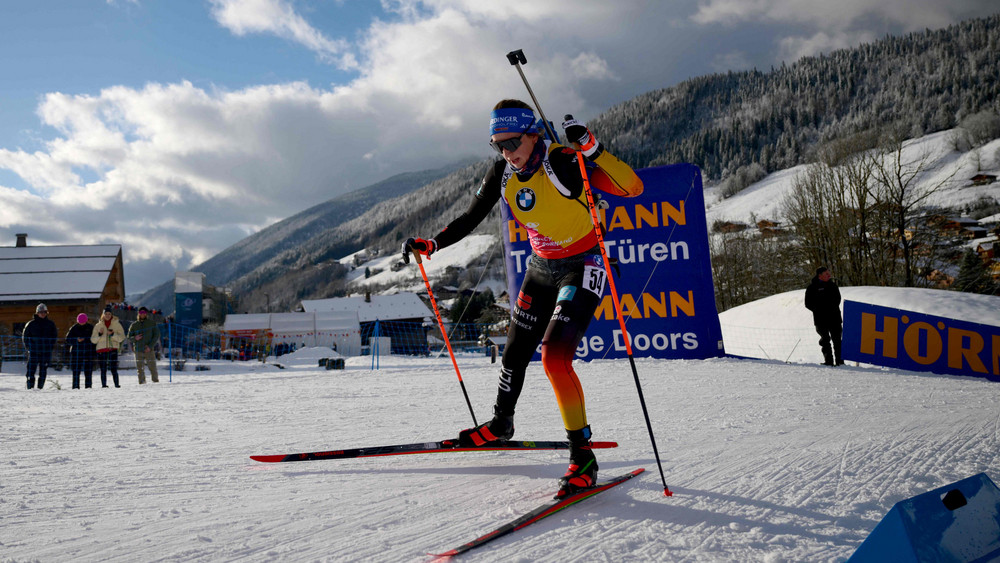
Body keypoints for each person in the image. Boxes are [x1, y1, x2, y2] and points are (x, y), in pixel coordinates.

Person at [403, 100, 643, 497]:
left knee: (554, 357)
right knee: (514, 352)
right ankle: (501, 425)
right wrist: (433, 243)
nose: (506, 151)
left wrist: (592, 148)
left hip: (583, 263)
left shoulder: (563, 161)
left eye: (513, 142)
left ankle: (582, 457)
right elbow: (469, 216)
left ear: (533, 134)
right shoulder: (503, 171)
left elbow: (632, 187)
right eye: (498, 144)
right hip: (540, 268)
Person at [805, 266, 843, 366]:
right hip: (820, 320)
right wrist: (819, 310)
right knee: (825, 341)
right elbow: (808, 303)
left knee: (838, 341)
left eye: (829, 273)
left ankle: (840, 362)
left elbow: (837, 300)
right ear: (820, 275)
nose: (829, 275)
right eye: (826, 274)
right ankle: (828, 361)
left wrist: (830, 308)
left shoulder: (833, 286)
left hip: (835, 318)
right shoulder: (812, 287)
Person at [23, 303, 57, 389]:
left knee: (43, 370)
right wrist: (29, 348)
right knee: (30, 371)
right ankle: (30, 387)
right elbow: (25, 337)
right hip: (34, 351)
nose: (43, 313)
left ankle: (40, 388)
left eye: (44, 312)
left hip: (46, 352)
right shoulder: (30, 324)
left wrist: (50, 347)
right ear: (37, 313)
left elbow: (54, 337)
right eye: (41, 312)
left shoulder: (50, 324)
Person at [91, 305, 125, 387]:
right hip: (101, 350)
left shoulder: (117, 324)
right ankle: (104, 385)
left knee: (114, 368)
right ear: (103, 315)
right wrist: (99, 334)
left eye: (109, 314)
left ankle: (116, 384)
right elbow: (93, 340)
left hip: (112, 348)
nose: (107, 315)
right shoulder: (97, 326)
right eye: (106, 314)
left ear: (112, 315)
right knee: (103, 369)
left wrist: (113, 334)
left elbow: (121, 338)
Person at [127, 306, 161, 384]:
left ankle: (155, 381)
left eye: (144, 312)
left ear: (146, 314)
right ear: (138, 313)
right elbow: (129, 337)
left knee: (152, 367)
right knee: (140, 368)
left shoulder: (152, 323)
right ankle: (142, 382)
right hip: (138, 349)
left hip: (149, 349)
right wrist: (135, 338)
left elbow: (156, 335)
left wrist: (150, 346)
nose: (142, 314)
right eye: (141, 312)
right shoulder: (134, 325)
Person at [65, 313, 95, 389]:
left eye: (83, 321)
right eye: (80, 321)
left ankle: (88, 387)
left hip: (88, 352)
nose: (82, 323)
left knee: (88, 372)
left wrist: (86, 340)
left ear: (86, 321)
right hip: (76, 353)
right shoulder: (74, 328)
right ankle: (75, 387)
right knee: (76, 371)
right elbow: (68, 339)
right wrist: (76, 340)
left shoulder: (91, 328)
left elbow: (94, 339)